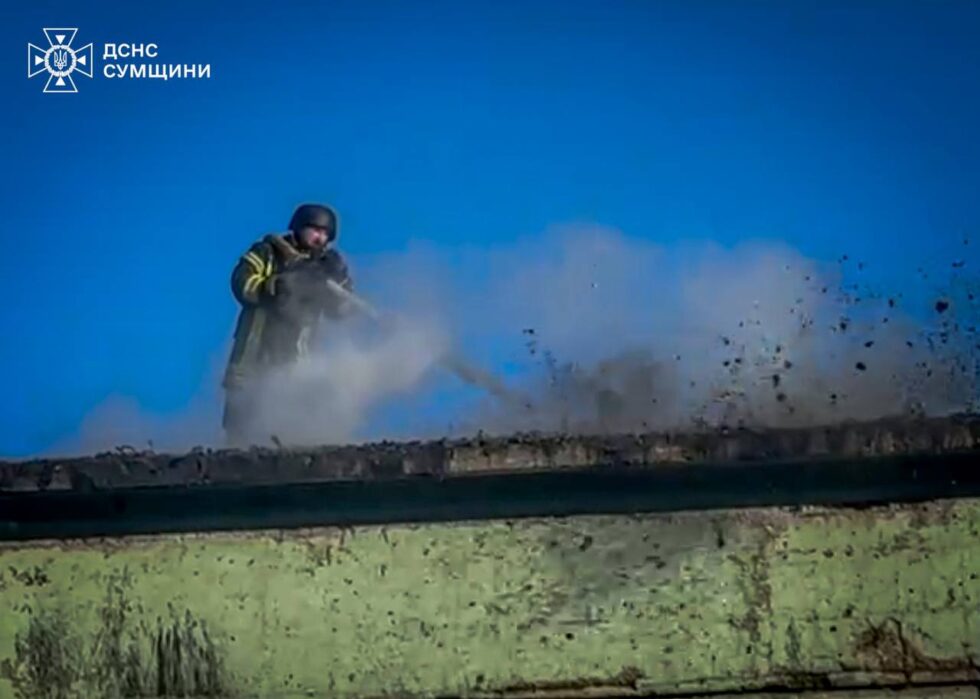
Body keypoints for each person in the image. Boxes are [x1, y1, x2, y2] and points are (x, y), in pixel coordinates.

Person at [221, 203, 353, 444]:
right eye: (314, 230)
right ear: (298, 228)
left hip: (296, 353)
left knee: (295, 412)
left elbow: (342, 306)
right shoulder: (268, 252)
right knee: (242, 411)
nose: (319, 237)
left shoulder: (329, 266)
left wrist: (338, 299)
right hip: (255, 346)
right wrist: (271, 286)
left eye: (325, 233)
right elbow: (241, 281)